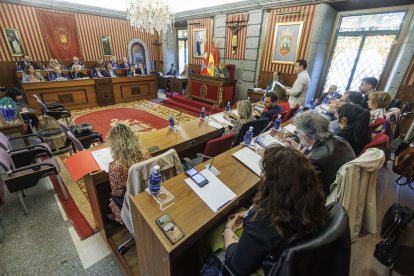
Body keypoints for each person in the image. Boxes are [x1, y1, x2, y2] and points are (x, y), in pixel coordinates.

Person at [221, 145, 327, 275]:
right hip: (301, 264)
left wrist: (227, 231)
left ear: (276, 186)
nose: (263, 178)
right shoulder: (313, 203)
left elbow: (238, 266)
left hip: (267, 268)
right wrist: (250, 214)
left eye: (266, 174)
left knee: (213, 229)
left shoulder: (264, 221)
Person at [293, 110, 356, 194]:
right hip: (348, 189)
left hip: (329, 198)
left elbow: (301, 188)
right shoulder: (340, 139)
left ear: (305, 134)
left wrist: (297, 159)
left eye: (297, 132)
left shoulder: (313, 159)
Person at [107, 124, 152, 223]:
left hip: (131, 201)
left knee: (112, 197)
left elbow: (117, 192)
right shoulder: (146, 153)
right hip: (147, 192)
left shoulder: (115, 167)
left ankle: (119, 218)